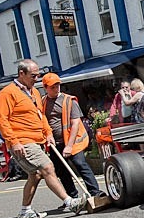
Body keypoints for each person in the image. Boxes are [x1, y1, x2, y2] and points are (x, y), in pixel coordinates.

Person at [0, 59, 86, 218]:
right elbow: (2, 120)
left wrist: (48, 132)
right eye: (33, 75)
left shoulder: (34, 92)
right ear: (21, 74)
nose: (37, 78)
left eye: (38, 75)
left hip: (37, 140)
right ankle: (70, 202)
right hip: (22, 141)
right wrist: (14, 142)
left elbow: (40, 115)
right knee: (47, 167)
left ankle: (25, 211)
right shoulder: (7, 93)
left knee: (35, 175)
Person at [41, 73, 104, 204]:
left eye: (58, 85)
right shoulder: (42, 102)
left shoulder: (69, 101)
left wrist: (69, 146)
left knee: (80, 164)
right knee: (61, 171)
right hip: (55, 143)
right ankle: (73, 198)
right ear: (45, 87)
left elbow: (75, 123)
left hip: (73, 141)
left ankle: (95, 193)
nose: (56, 88)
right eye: (52, 86)